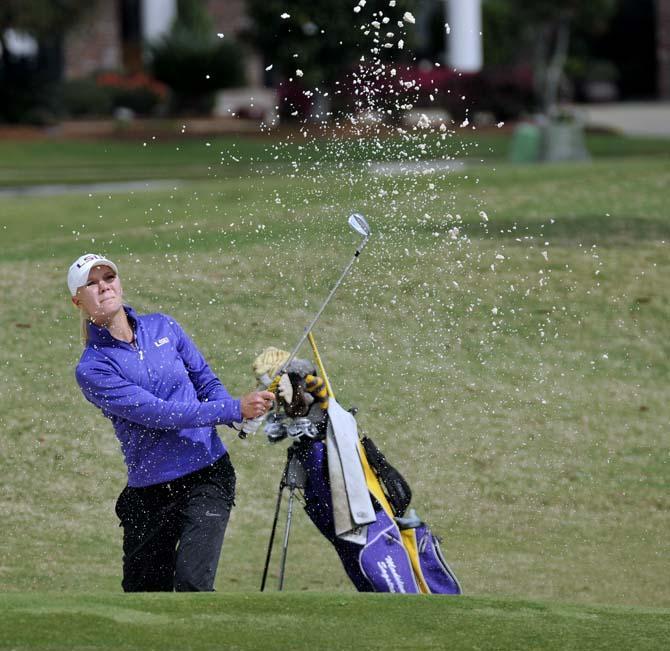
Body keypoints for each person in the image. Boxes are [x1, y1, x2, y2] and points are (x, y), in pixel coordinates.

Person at [67, 253, 274, 592]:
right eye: (91, 283)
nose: (103, 287)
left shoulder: (164, 326)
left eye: (109, 278)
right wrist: (235, 410)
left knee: (193, 585)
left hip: (207, 475)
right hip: (149, 494)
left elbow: (205, 382)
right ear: (78, 300)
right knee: (145, 597)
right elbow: (160, 415)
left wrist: (236, 417)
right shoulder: (92, 369)